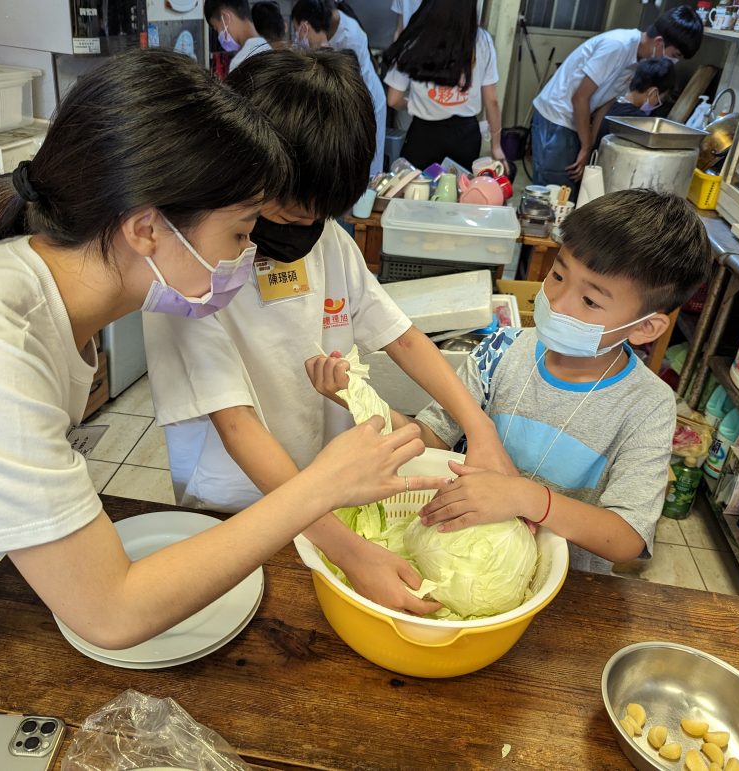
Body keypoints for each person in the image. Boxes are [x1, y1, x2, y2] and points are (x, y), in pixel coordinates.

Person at [0, 50, 440, 770]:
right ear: (148, 228)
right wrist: (324, 484)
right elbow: (112, 610)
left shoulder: (38, 294)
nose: (249, 256)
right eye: (241, 233)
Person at [144, 48, 507, 616]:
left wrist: (478, 428)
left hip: (323, 494)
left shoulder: (328, 242)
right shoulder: (193, 272)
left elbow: (402, 336)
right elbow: (237, 428)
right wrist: (353, 554)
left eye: (320, 218)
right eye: (287, 219)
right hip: (233, 505)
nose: (306, 233)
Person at [307, 189, 711, 575]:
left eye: (590, 301)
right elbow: (429, 441)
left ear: (646, 327)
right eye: (557, 276)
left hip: (565, 582)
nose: (557, 302)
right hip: (460, 559)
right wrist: (356, 397)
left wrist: (525, 497)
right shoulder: (500, 351)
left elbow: (628, 540)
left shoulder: (648, 405)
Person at [531, 6, 703, 187]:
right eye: (675, 55)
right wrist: (585, 145)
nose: (673, 62)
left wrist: (592, 147)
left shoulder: (638, 63)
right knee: (554, 190)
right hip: (557, 118)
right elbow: (580, 97)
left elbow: (605, 106)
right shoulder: (617, 46)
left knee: (570, 189)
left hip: (575, 120)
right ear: (659, 42)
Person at [383, 0, 506, 173]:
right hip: (465, 137)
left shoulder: (414, 38)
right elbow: (492, 100)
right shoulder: (482, 40)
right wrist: (496, 146)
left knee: (416, 191)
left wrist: (414, 105)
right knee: (457, 192)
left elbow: (393, 99)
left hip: (423, 135)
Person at [291, 0, 387, 177]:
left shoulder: (349, 36)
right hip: (350, 100)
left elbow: (347, 88)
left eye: (297, 29)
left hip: (367, 98)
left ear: (304, 26)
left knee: (366, 163)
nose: (297, 36)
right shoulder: (327, 31)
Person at [593, 58, 677, 151]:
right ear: (653, 93)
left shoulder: (611, 104)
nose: (658, 103)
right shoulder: (638, 121)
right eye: (661, 98)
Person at [204, 0, 271, 71]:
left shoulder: (240, 63)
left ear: (225, 18)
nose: (219, 36)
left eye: (217, 29)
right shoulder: (268, 48)